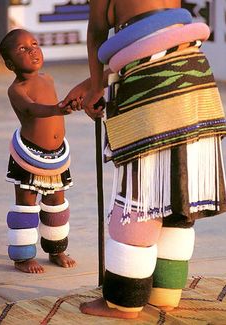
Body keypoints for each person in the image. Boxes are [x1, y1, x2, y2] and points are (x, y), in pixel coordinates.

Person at [63, 0, 226, 319]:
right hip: (192, 72)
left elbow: (99, 32)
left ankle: (125, 302)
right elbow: (153, 30)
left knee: (141, 192)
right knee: (177, 185)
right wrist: (94, 84)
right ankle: (166, 294)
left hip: (151, 85)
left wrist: (97, 87)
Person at [0, 29, 79, 274]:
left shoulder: (48, 78)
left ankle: (56, 249)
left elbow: (54, 108)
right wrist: (57, 108)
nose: (32, 49)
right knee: (26, 205)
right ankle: (23, 256)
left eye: (34, 43)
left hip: (56, 158)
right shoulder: (16, 89)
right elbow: (33, 110)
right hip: (28, 157)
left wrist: (69, 103)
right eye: (22, 48)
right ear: (10, 63)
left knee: (56, 205)